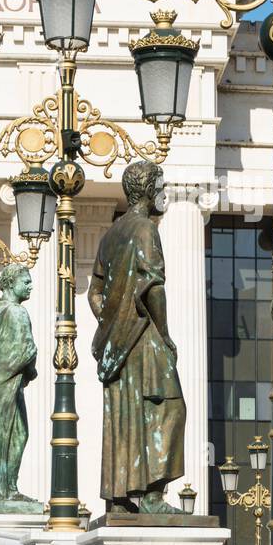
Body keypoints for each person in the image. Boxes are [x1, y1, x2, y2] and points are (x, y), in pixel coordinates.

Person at [89, 160, 185, 514]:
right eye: (161, 185)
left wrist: (112, 321)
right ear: (147, 190)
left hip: (117, 342)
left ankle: (117, 498)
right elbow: (152, 287)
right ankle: (152, 497)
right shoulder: (146, 229)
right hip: (144, 335)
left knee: (124, 413)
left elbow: (93, 293)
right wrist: (165, 334)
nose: (164, 193)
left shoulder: (110, 235)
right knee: (168, 408)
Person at [0, 264, 38, 505]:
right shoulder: (17, 312)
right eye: (26, 282)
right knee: (13, 434)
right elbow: (26, 349)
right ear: (11, 284)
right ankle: (4, 490)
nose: (30, 286)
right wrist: (31, 371)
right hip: (7, 380)